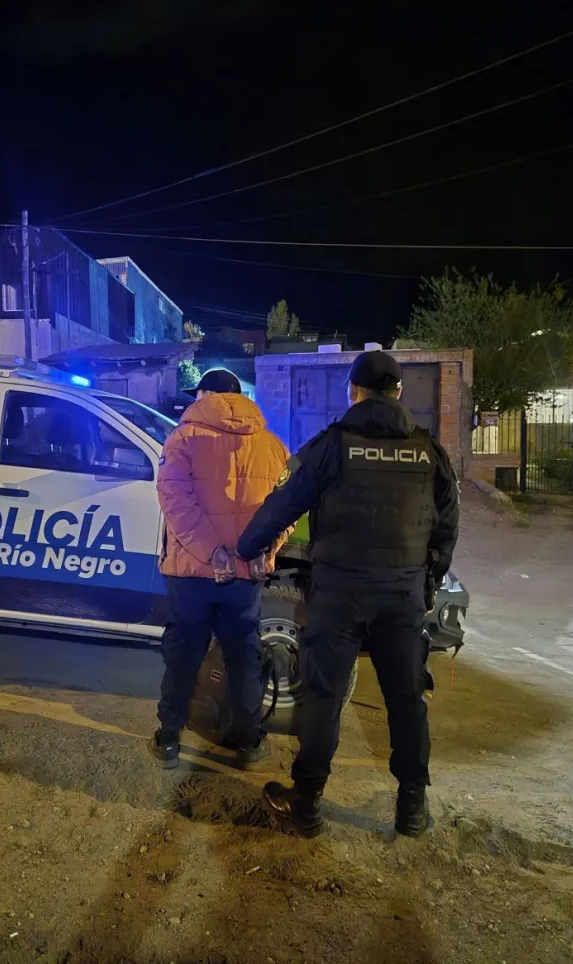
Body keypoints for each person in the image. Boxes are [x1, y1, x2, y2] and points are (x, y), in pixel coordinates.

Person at [237, 351, 460, 838]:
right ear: (398, 393)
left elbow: (284, 503)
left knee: (324, 698)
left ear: (353, 391)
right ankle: (412, 809)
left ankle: (308, 803)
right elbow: (447, 526)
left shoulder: (333, 445)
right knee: (406, 701)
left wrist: (246, 546)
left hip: (338, 597)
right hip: (401, 597)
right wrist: (428, 582)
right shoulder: (428, 451)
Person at [151, 368, 290, 770]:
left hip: (191, 573)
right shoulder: (274, 445)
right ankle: (247, 742)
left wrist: (211, 552)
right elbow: (285, 509)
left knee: (184, 656)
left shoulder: (183, 439)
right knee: (244, 657)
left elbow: (174, 501)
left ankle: (169, 740)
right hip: (245, 575)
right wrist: (267, 548)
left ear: (207, 394)